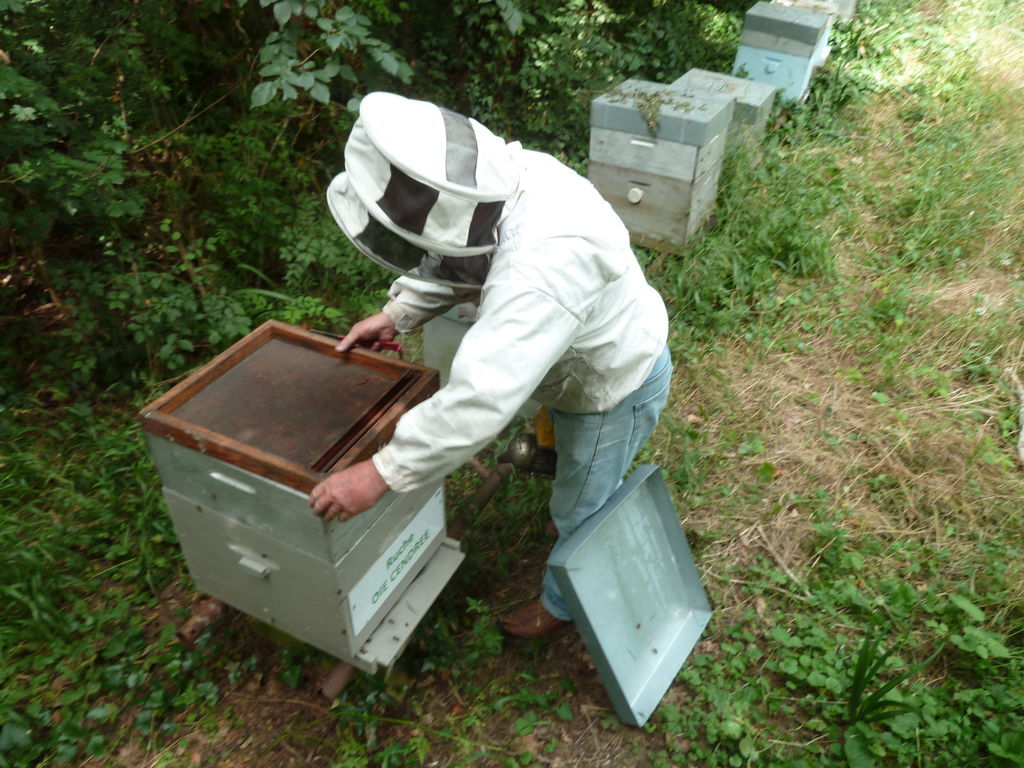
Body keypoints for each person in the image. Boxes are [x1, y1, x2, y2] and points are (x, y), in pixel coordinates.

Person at [308, 92, 671, 638]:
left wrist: (381, 473)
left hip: (613, 387)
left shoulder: (543, 265)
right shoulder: (506, 185)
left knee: (582, 509)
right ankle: (569, 512)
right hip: (583, 357)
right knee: (575, 479)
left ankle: (563, 606)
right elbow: (456, 256)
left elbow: (481, 398)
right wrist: (396, 314)